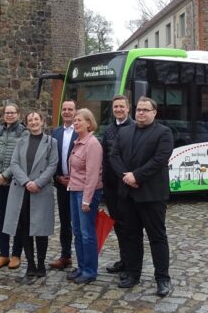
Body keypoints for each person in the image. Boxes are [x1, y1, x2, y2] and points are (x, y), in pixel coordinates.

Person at [109, 96, 174, 297]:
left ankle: (162, 278)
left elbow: (160, 159)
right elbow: (114, 156)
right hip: (128, 195)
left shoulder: (163, 133)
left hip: (152, 195)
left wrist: (137, 176)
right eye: (139, 110)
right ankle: (132, 274)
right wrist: (125, 177)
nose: (141, 113)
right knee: (131, 236)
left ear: (154, 112)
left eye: (146, 110)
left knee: (157, 238)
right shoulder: (125, 132)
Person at [2, 111, 58, 285]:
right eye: (30, 120)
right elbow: (14, 164)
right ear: (27, 124)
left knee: (40, 229)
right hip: (22, 190)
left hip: (41, 190)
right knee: (24, 228)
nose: (33, 122)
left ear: (42, 121)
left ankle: (41, 265)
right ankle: (30, 265)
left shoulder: (51, 142)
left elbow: (53, 164)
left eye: (36, 119)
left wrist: (38, 183)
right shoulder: (21, 142)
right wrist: (27, 182)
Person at [0, 103, 28, 270]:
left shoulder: (23, 133)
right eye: (7, 113)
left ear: (18, 114)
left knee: (17, 218)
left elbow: (20, 158)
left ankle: (16, 254)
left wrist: (6, 175)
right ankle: (3, 254)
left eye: (12, 113)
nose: (9, 115)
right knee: (2, 218)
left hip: (13, 182)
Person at [66, 108, 103, 284]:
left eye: (79, 120)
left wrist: (87, 199)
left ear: (89, 123)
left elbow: (93, 175)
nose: (76, 122)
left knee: (87, 233)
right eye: (75, 120)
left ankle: (90, 271)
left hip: (86, 193)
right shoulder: (78, 141)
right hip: (74, 190)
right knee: (78, 232)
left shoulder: (93, 144)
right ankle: (81, 267)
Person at [100, 95, 133, 275]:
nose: (119, 109)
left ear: (128, 109)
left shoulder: (135, 128)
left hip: (127, 186)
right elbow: (105, 157)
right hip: (111, 186)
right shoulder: (109, 130)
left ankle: (131, 263)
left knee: (129, 226)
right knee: (118, 225)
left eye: (122, 106)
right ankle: (123, 259)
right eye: (115, 107)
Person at [49, 100, 77, 270]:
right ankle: (65, 255)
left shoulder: (82, 131)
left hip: (78, 184)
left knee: (80, 223)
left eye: (70, 109)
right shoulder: (56, 133)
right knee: (65, 221)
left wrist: (74, 178)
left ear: (75, 111)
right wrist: (57, 177)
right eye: (64, 109)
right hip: (61, 184)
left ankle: (83, 258)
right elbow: (51, 159)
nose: (66, 112)